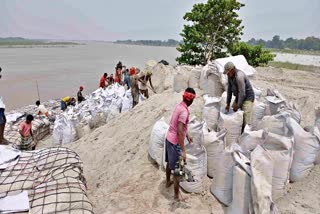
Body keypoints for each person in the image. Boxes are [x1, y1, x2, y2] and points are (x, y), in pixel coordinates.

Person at [165, 88, 196, 201]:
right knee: (178, 170)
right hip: (175, 142)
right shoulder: (184, 112)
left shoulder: (179, 106)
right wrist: (183, 150)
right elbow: (179, 131)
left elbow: (181, 127)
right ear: (191, 100)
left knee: (169, 162)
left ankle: (168, 182)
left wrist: (187, 135)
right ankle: (176, 197)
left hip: (168, 138)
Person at [224, 62, 255, 132]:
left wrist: (238, 105)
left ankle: (245, 135)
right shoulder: (230, 76)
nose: (227, 75)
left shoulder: (239, 76)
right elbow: (229, 89)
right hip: (239, 96)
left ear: (233, 69)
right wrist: (228, 103)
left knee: (246, 118)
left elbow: (243, 93)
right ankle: (236, 132)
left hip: (248, 97)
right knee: (232, 114)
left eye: (228, 73)